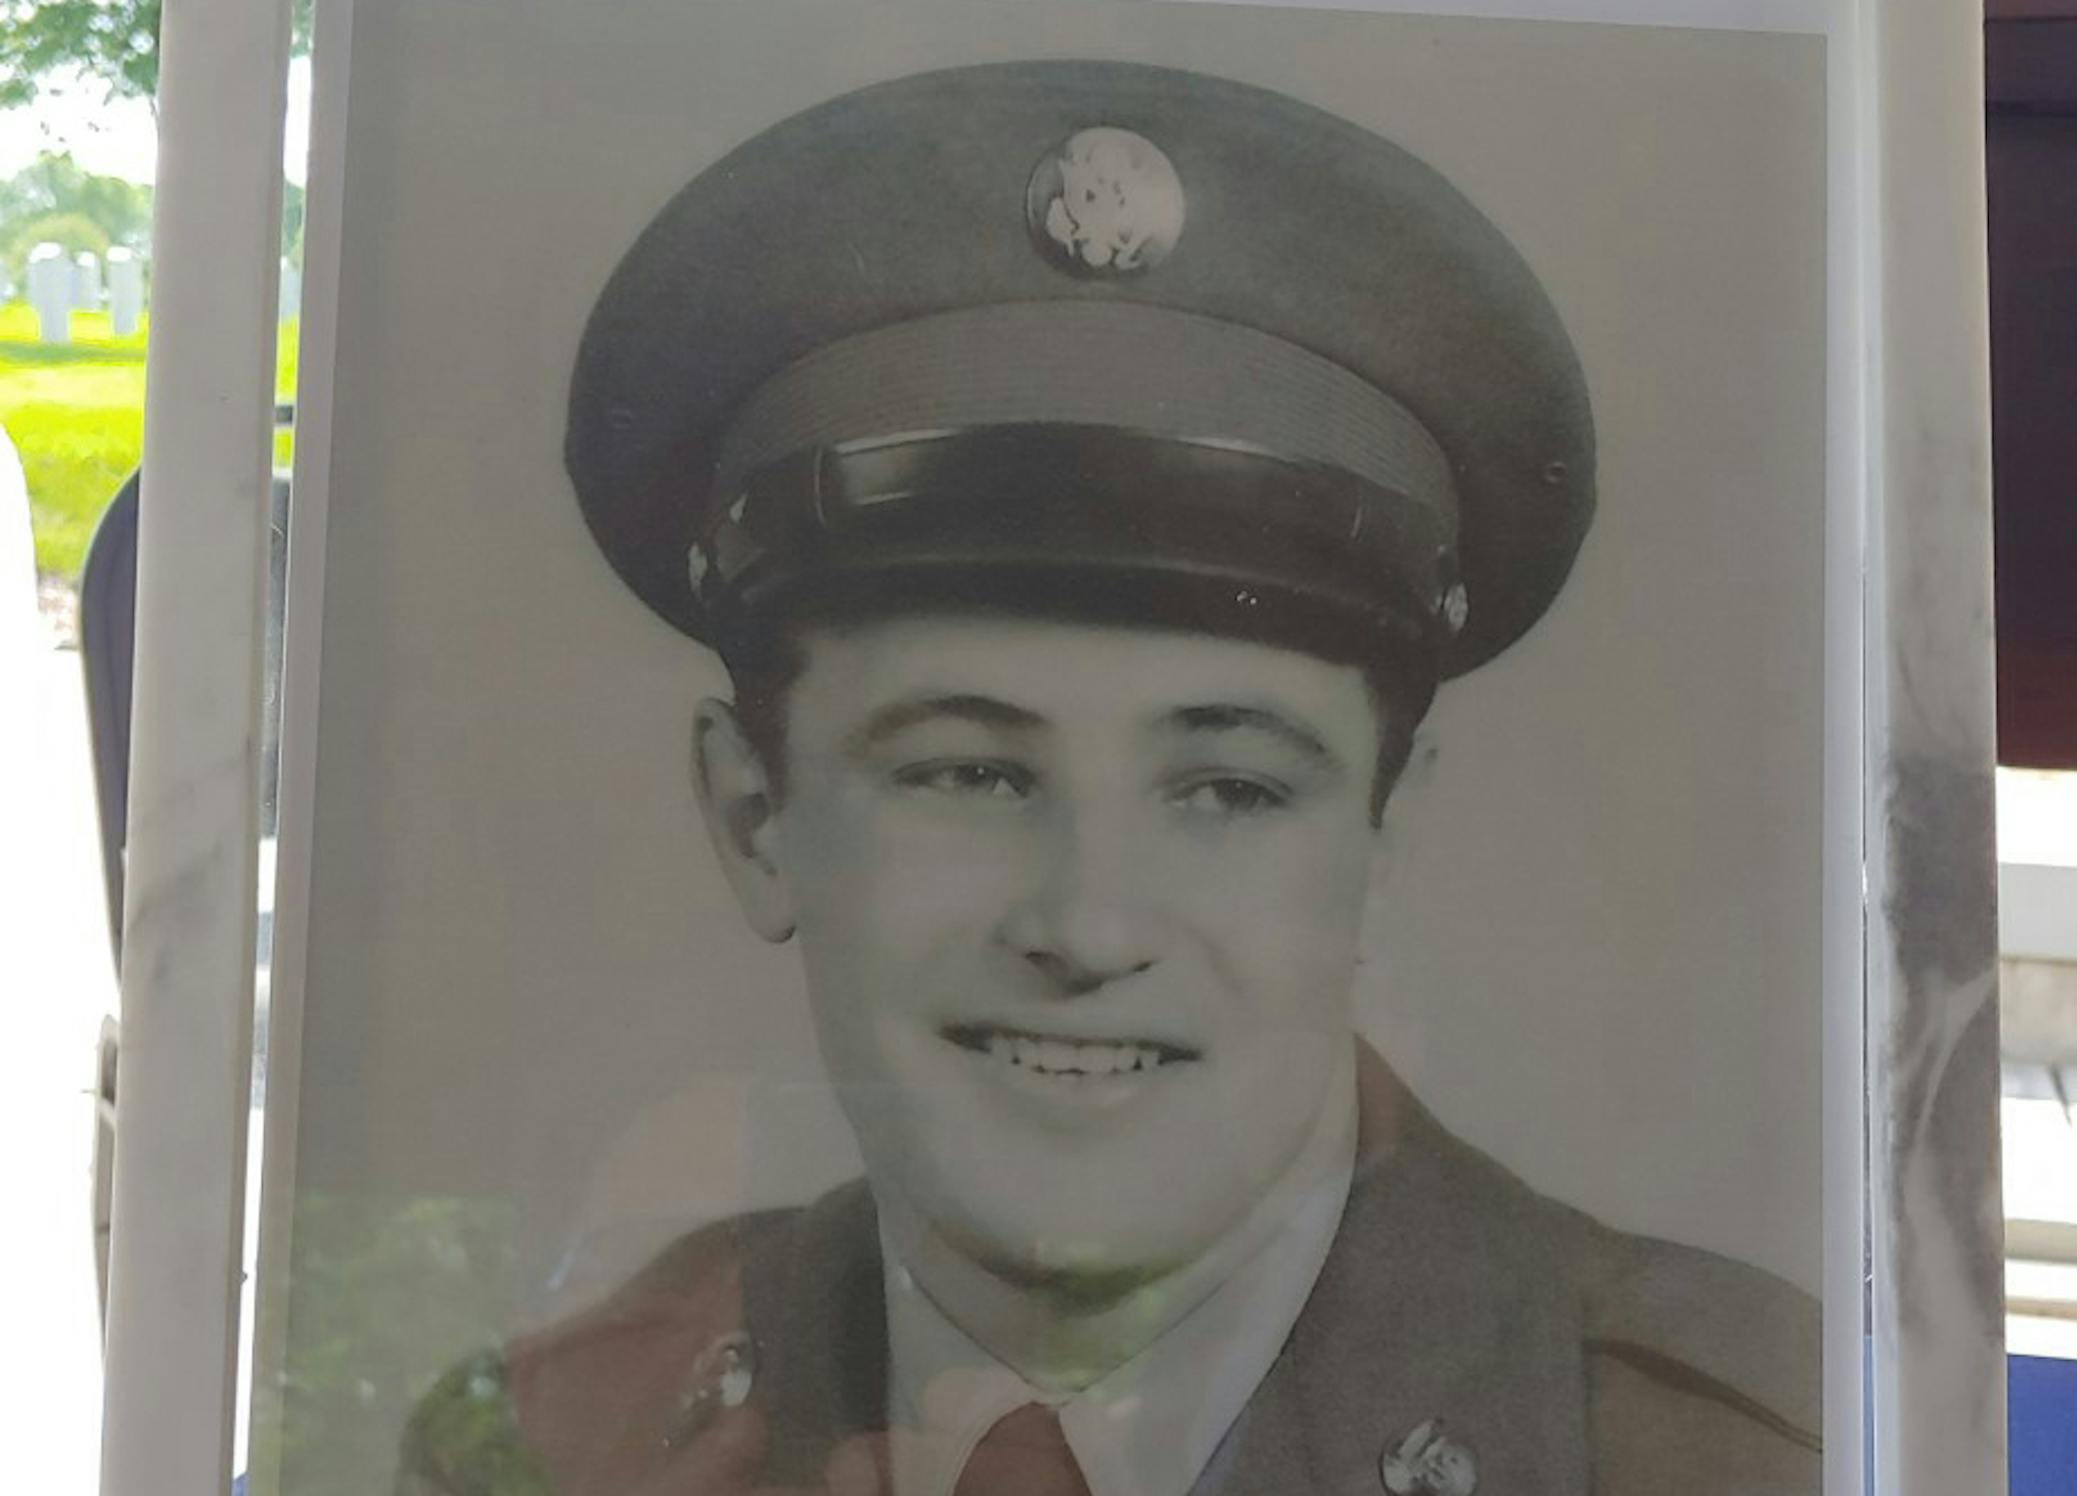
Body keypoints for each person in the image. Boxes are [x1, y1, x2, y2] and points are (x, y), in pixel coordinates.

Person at [397, 59, 1821, 1496]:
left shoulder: (1726, 1453)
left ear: (1389, 834)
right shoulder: (561, 1441)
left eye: (1228, 791)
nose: (1088, 927)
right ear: (755, 816)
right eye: (965, 772)